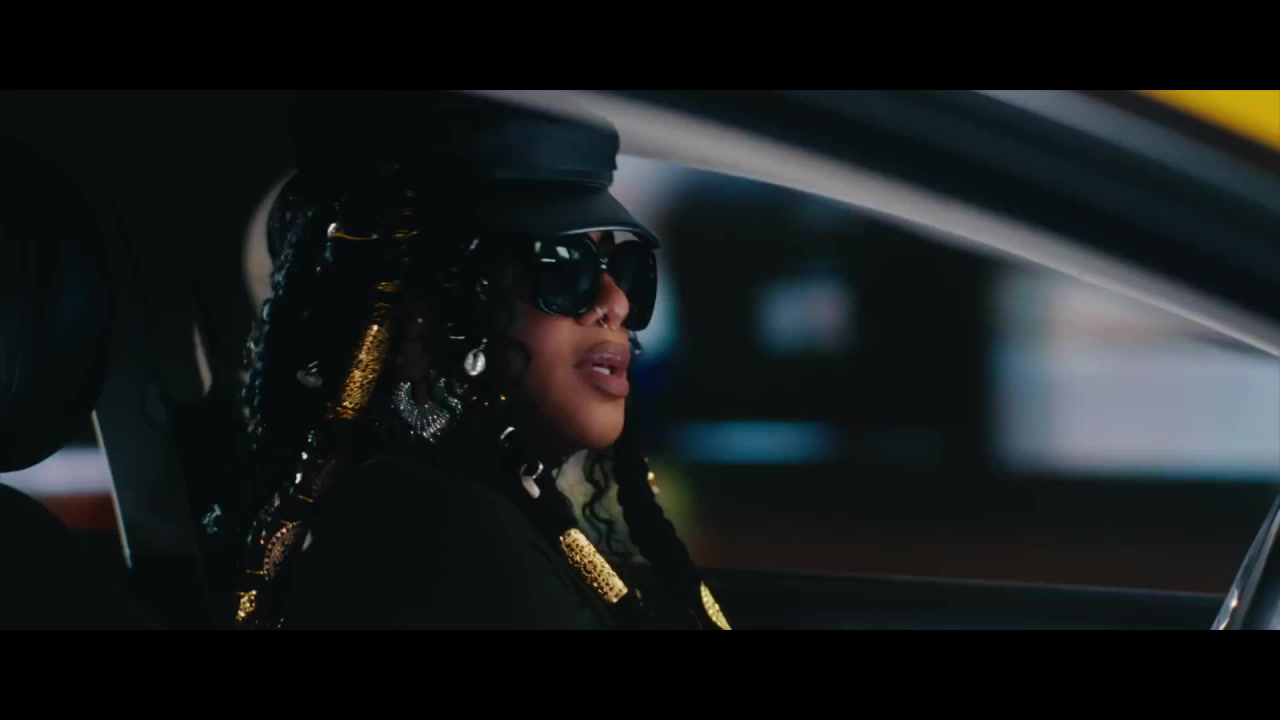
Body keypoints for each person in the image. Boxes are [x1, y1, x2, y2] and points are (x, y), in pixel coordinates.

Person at [218, 91, 731, 630]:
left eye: (624, 268)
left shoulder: (472, 506)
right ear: (425, 327)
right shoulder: (441, 525)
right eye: (563, 265)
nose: (617, 302)